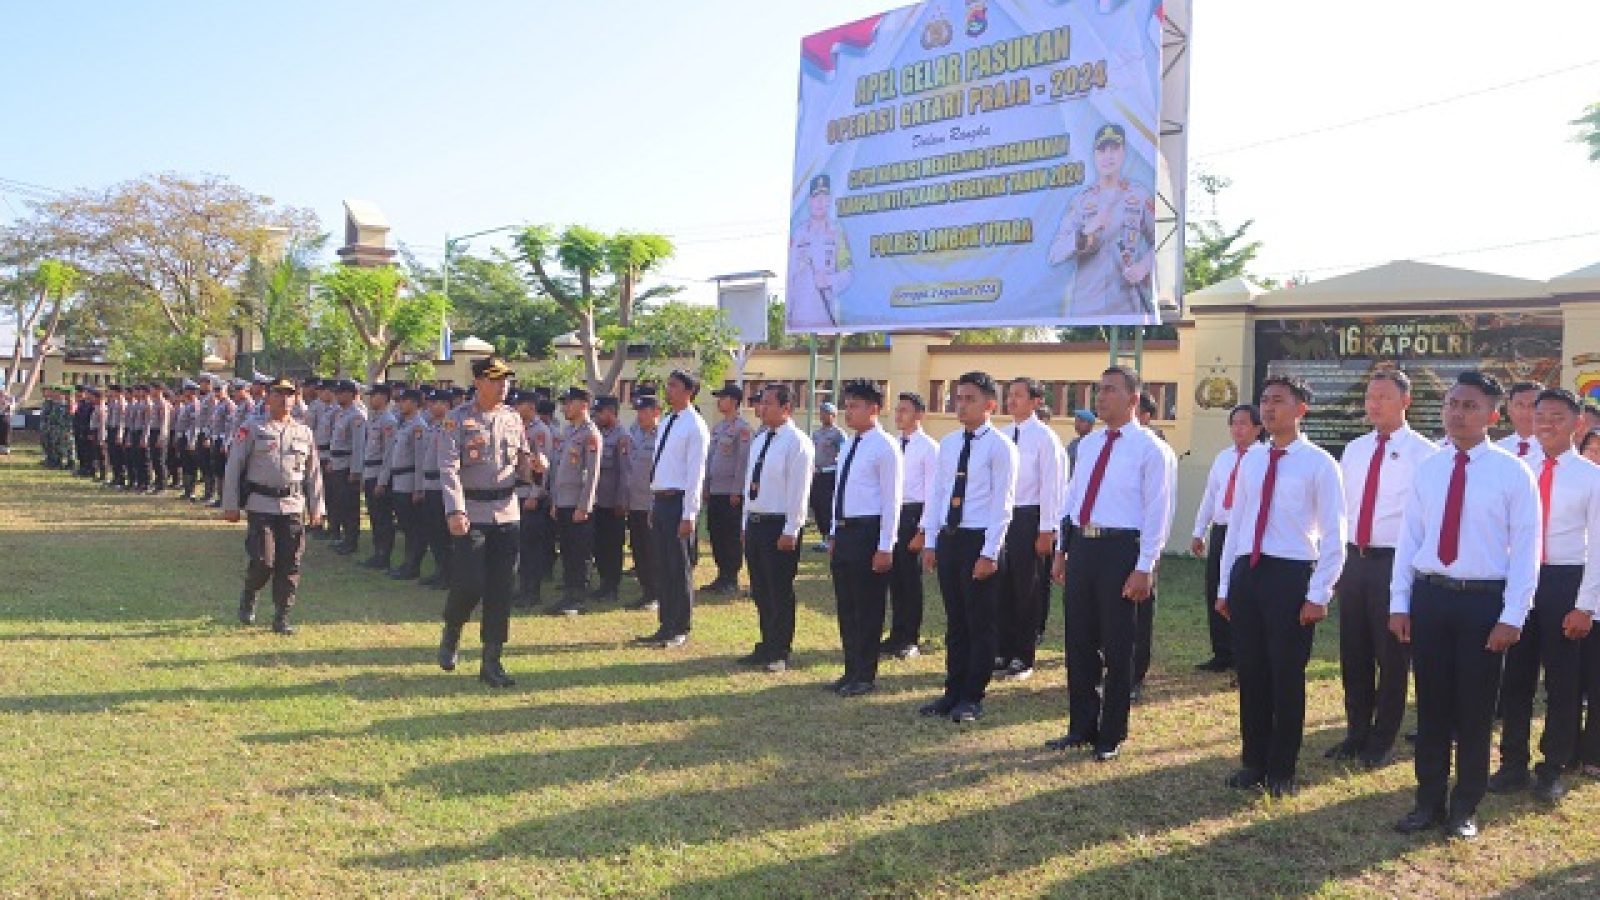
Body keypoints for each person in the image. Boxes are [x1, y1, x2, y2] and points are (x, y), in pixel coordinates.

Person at [1390, 370, 1539, 841]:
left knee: (1475, 711)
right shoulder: (1429, 468)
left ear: (1493, 415)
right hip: (1432, 597)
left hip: (1483, 603)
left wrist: (1513, 615)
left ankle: (1465, 808)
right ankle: (1427, 802)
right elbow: (1408, 538)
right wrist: (1400, 603)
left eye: (1470, 405)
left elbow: (1528, 547)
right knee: (1431, 707)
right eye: (1452, 403)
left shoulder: (1513, 472)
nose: (1457, 412)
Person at [1215, 376, 1347, 797]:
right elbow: (1236, 525)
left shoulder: (1320, 464)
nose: (1269, 408)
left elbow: (1334, 534)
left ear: (1301, 409)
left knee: (1286, 674)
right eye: (1264, 401)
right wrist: (1224, 585)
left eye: (1278, 401)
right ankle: (1253, 760)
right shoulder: (1251, 460)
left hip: (1291, 575)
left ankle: (1281, 768)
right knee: (1251, 671)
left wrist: (1319, 593)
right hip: (1248, 572)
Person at [1048, 366, 1175, 760]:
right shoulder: (1088, 444)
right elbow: (1072, 500)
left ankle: (1111, 732)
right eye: (1098, 390)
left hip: (1123, 551)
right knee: (1079, 642)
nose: (1100, 398)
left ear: (1134, 399)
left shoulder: (1152, 449)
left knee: (1120, 646)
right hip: (1084, 547)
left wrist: (1145, 566)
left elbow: (1159, 513)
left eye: (1110, 391)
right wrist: (1061, 547)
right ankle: (1081, 726)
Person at [1488, 388, 1600, 805]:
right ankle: (1511, 763)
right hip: (1521, 579)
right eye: (1541, 417)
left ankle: (1552, 767)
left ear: (1577, 424)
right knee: (1515, 679)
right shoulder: (1518, 469)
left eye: (1557, 416)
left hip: (1565, 583)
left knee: (1562, 682)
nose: (1547, 424)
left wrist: (1585, 605)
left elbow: (1599, 547)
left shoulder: (1591, 476)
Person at [1327, 369, 1437, 769]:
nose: (1374, 404)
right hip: (1355, 560)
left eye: (1384, 397)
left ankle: (1382, 739)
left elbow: (1427, 521)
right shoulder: (1354, 449)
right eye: (1370, 396)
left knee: (1391, 656)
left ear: (1406, 401)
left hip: (1396, 563)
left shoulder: (1425, 454)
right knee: (1352, 651)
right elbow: (1343, 511)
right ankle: (1356, 732)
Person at [919, 371, 1017, 723]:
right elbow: (938, 494)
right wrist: (931, 540)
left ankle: (972, 696)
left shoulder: (1000, 446)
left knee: (980, 622)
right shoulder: (947, 443)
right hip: (951, 538)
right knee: (955, 622)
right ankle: (952, 691)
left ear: (990, 405)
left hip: (979, 539)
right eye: (957, 398)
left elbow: (1002, 504)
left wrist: (990, 552)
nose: (960, 405)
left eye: (969, 399)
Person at [437, 357, 534, 688]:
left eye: (506, 380)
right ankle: (452, 630)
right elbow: (448, 468)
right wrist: (455, 510)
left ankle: (491, 661)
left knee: (501, 589)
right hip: (472, 514)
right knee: (470, 583)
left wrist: (534, 467)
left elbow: (521, 464)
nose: (503, 385)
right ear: (478, 382)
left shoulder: (512, 419)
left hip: (507, 513)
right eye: (495, 379)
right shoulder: (457, 420)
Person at [221, 377, 325, 635]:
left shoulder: (304, 432)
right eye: (278, 394)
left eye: (289, 394)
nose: (284, 399)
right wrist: (231, 504)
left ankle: (282, 616)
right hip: (261, 504)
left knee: (290, 564)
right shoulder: (252, 428)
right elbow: (234, 466)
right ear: (268, 397)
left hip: (292, 505)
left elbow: (313, 474)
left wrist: (317, 507)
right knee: (263, 561)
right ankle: (250, 592)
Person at [826, 379, 901, 697]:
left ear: (874, 409)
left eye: (855, 406)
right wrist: (832, 531)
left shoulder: (885, 446)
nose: (848, 412)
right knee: (847, 605)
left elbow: (891, 500)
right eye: (847, 405)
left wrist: (885, 546)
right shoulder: (849, 444)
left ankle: (865, 673)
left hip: (868, 532)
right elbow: (838, 492)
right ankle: (850, 668)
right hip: (844, 531)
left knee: (868, 606)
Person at [739, 383, 814, 673]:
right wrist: (745, 519)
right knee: (760, 589)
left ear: (786, 408)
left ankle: (780, 649)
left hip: (779, 525)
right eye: (761, 403)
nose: (762, 408)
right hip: (757, 522)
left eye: (769, 403)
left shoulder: (797, 442)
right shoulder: (761, 439)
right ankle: (766, 642)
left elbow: (799, 491)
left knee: (779, 589)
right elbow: (750, 484)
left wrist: (792, 528)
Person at [1048, 122, 1156, 319]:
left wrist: (1144, 266)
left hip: (1127, 305)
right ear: (1094, 156)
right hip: (1086, 307)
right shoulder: (1081, 201)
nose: (1108, 156)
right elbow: (1055, 253)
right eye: (1102, 150)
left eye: (1114, 148)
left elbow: (1164, 243)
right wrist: (1086, 231)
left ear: (1124, 152)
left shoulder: (1139, 195)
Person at [997, 378, 1063, 681]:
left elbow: (1052, 487)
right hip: (1003, 517)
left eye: (1019, 396)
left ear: (1036, 401)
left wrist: (1047, 528)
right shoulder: (1002, 434)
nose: (1012, 401)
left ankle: (1023, 655)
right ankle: (1003, 649)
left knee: (1027, 587)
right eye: (1009, 395)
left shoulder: (1044, 438)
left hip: (1030, 517)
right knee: (1002, 585)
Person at [638, 369, 710, 648]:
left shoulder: (695, 426)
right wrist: (653, 502)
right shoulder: (667, 421)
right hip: (662, 500)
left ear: (688, 391)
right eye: (667, 385)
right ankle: (665, 625)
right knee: (663, 566)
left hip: (680, 501)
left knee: (680, 568)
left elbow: (695, 475)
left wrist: (690, 514)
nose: (668, 390)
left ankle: (680, 627)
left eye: (673, 386)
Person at [1190, 404, 1264, 673]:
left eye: (1244, 423)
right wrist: (1199, 531)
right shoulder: (1223, 458)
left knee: (1241, 590)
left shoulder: (1262, 458)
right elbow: (1210, 496)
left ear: (1258, 428)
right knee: (1215, 589)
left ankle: (1243, 651)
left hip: (1247, 533)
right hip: (1222, 530)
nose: (1238, 429)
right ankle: (1222, 652)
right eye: (1234, 423)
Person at [885, 391, 938, 659]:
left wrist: (923, 531)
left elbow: (933, 493)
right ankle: (896, 633)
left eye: (904, 410)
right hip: (894, 513)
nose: (898, 415)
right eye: (897, 410)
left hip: (914, 514)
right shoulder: (892, 444)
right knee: (894, 579)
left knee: (910, 581)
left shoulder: (929, 448)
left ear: (919, 415)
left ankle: (910, 638)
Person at [550, 386, 602, 615]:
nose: (564, 407)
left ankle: (577, 598)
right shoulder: (570, 432)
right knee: (568, 551)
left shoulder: (591, 435)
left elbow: (592, 474)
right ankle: (568, 595)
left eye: (569, 403)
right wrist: (555, 501)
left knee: (579, 553)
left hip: (578, 505)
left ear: (584, 405)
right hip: (564, 501)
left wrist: (584, 506)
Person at [703, 383, 753, 595]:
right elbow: (710, 459)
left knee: (730, 536)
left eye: (722, 398)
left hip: (730, 493)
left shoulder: (743, 429)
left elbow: (743, 462)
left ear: (733, 401)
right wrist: (706, 485)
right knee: (716, 533)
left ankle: (731, 578)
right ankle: (721, 575)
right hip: (715, 490)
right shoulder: (718, 428)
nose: (719, 402)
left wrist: (737, 490)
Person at [786, 173, 854, 329]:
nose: (820, 202)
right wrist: (788, 316)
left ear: (829, 200)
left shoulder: (837, 232)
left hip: (826, 318)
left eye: (824, 197)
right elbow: (790, 278)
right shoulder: (798, 234)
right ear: (810, 201)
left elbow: (848, 273)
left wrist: (829, 280)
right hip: (798, 319)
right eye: (816, 197)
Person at [513, 390, 555, 609]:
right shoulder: (521, 429)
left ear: (530, 406)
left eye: (519, 405)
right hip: (517, 493)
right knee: (521, 546)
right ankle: (523, 589)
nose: (515, 408)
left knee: (532, 547)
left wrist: (534, 494)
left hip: (531, 495)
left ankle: (533, 592)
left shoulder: (540, 432)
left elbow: (543, 467)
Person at [620, 393, 662, 611]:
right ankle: (646, 592)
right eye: (638, 411)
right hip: (634, 502)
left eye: (645, 411)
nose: (640, 415)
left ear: (657, 412)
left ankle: (656, 594)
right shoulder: (634, 433)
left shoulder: (662, 436)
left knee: (653, 551)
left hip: (651, 504)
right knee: (638, 549)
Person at [382, 387, 427, 580]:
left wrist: (418, 488)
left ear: (416, 404)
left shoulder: (418, 426)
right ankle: (407, 563)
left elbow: (420, 460)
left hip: (409, 481)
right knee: (405, 525)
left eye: (405, 401)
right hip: (398, 480)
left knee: (413, 527)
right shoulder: (403, 425)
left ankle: (412, 565)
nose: (400, 404)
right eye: (399, 401)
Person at [588, 395, 629, 605]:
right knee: (599, 546)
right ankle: (603, 583)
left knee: (612, 546)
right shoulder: (598, 434)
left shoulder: (622, 437)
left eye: (600, 412)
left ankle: (612, 586)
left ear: (611, 412)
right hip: (597, 501)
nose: (596, 416)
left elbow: (624, 472)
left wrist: (621, 501)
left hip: (613, 503)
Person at [414, 389, 453, 589]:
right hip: (429, 484)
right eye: (430, 403)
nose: (431, 406)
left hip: (441, 485)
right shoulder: (431, 427)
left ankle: (447, 574)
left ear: (446, 405)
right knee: (433, 531)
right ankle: (439, 570)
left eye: (436, 402)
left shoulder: (450, 426)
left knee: (443, 532)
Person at [358, 384, 399, 570]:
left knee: (382, 517)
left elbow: (389, 454)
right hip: (370, 471)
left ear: (383, 397)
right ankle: (377, 552)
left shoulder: (389, 421)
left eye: (373, 395)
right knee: (374, 515)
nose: (370, 399)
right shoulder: (374, 420)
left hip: (379, 475)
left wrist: (382, 481)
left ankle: (384, 555)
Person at [328, 380, 368, 555]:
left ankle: (352, 540)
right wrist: (331, 460)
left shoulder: (357, 415)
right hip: (338, 463)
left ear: (351, 394)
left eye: (341, 393)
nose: (338, 396)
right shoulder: (341, 414)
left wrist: (355, 470)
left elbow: (359, 446)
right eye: (337, 393)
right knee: (340, 503)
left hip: (347, 465)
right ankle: (345, 538)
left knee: (350, 505)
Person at [810, 402, 845, 552]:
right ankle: (823, 535)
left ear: (834, 415)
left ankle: (830, 537)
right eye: (822, 412)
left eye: (827, 413)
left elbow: (843, 454)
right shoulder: (816, 434)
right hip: (817, 474)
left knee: (826, 506)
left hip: (830, 474)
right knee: (816, 504)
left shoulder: (838, 434)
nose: (823, 416)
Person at [1496, 381, 1545, 467]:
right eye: (1519, 405)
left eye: (1533, 405)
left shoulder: (1555, 451)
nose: (1525, 412)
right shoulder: (1497, 449)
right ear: (1509, 407)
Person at [0, 387, 12, 454]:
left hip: (5, 420)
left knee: (6, 432)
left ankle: (5, 447)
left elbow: (8, 411)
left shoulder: (8, 404)